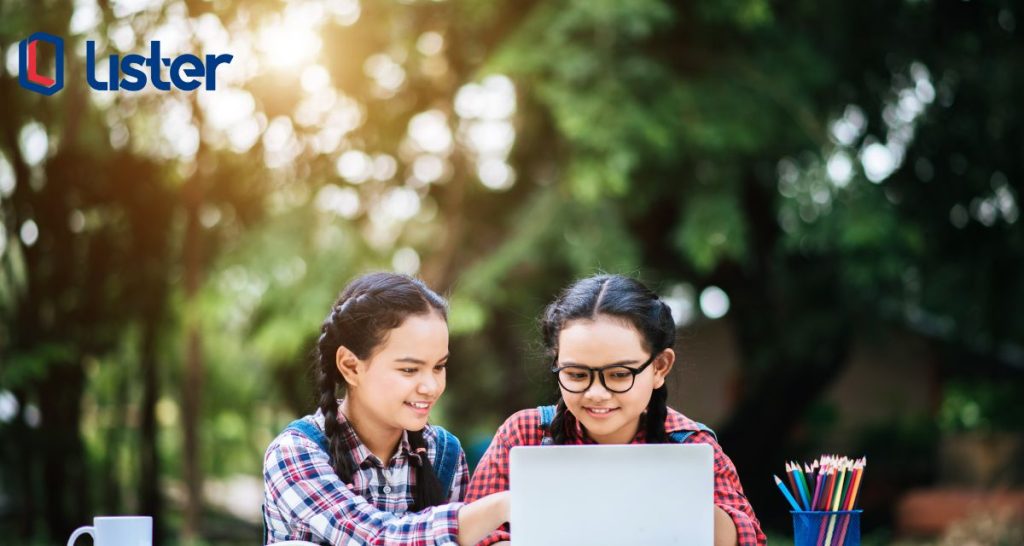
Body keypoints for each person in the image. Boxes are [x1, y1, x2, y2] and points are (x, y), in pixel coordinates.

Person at [466, 274, 767, 546]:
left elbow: (748, 536)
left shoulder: (690, 444)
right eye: (576, 375)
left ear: (660, 367)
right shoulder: (524, 434)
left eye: (619, 374)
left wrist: (676, 500)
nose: (597, 393)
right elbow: (474, 535)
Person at [262, 272, 509, 545]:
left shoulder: (444, 453)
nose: (430, 386)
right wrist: (499, 507)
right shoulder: (295, 452)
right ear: (351, 366)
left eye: (439, 367)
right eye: (409, 369)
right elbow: (376, 538)